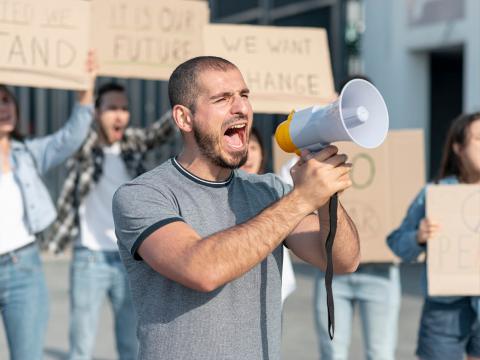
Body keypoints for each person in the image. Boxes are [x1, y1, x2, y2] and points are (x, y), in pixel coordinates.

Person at [112, 56, 360, 359]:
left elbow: (343, 260)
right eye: (222, 99)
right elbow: (201, 269)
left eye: (244, 96)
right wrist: (302, 199)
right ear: (184, 118)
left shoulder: (270, 191)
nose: (241, 108)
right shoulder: (143, 195)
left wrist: (325, 198)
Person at [47, 80, 175, 360]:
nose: (120, 115)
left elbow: (161, 132)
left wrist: (185, 98)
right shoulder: (84, 146)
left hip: (128, 259)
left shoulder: (132, 144)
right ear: (96, 113)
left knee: (131, 345)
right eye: (112, 108)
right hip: (89, 258)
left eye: (124, 108)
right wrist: (86, 85)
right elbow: (72, 132)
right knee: (80, 347)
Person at [0, 55, 95, 360]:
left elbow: (70, 138)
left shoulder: (26, 153)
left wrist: (86, 89)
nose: (3, 107)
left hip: (22, 268)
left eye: (6, 100)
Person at [313, 75, 401, 360]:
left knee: (380, 353)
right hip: (332, 273)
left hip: (380, 272)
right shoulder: (321, 147)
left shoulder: (392, 150)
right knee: (332, 353)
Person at [387, 112, 480, 360]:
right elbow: (396, 242)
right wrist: (418, 236)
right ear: (458, 147)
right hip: (444, 310)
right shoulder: (434, 194)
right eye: (479, 138)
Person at [240, 127, 296, 304]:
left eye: (254, 148)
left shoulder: (276, 188)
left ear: (263, 154)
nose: (249, 155)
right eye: (244, 148)